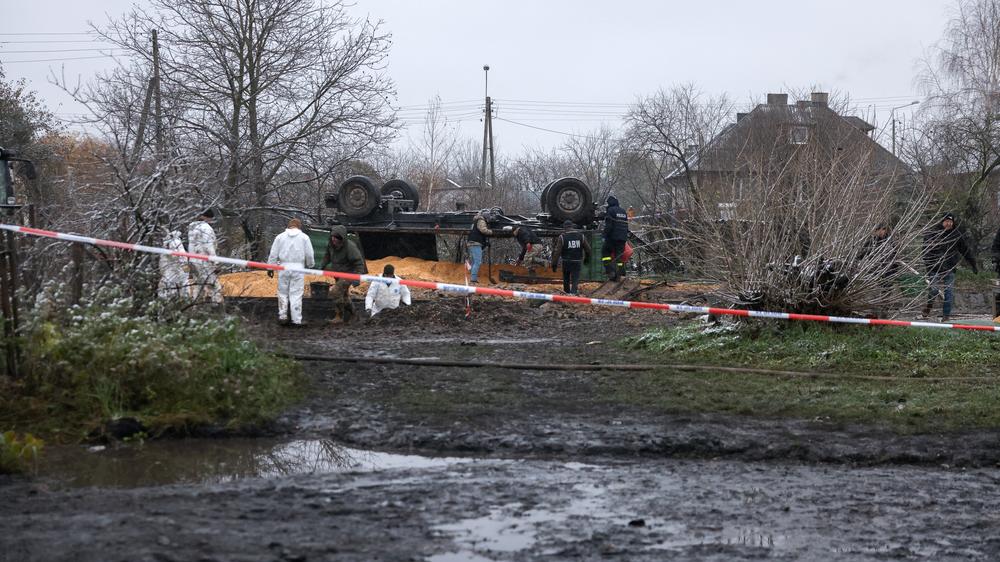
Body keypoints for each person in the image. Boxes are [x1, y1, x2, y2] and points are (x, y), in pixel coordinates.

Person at [922, 213, 977, 322]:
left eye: (951, 222)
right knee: (934, 290)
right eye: (947, 221)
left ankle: (946, 316)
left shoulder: (956, 235)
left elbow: (965, 250)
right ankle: (928, 307)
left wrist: (973, 264)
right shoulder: (933, 233)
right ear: (942, 222)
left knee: (949, 292)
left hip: (949, 267)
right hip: (934, 267)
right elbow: (925, 251)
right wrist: (928, 263)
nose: (949, 224)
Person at [267, 218, 315, 326]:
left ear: (289, 226)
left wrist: (270, 268)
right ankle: (296, 320)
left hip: (283, 267)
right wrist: (310, 265)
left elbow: (273, 254)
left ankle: (282, 316)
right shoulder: (304, 238)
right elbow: (309, 254)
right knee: (296, 294)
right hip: (298, 268)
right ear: (299, 226)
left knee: (283, 293)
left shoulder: (280, 237)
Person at [319, 225, 366, 324]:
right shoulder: (331, 245)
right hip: (338, 274)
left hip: (349, 274)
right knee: (343, 296)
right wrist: (322, 266)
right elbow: (327, 256)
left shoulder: (350, 247)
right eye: (333, 237)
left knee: (335, 292)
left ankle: (339, 316)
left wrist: (356, 278)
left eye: (336, 238)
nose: (334, 239)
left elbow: (359, 263)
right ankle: (354, 314)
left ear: (342, 238)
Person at [187, 209, 224, 303]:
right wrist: (216, 262)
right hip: (204, 262)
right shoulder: (206, 229)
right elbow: (208, 246)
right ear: (208, 218)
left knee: (198, 285)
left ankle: (195, 306)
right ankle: (216, 306)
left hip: (193, 261)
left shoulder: (192, 228)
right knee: (214, 284)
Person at [552, 220, 591, 295]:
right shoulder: (581, 236)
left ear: (564, 227)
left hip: (566, 261)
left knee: (566, 278)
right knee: (575, 278)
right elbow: (588, 250)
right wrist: (587, 258)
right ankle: (573, 293)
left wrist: (554, 264)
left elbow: (557, 252)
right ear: (572, 226)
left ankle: (566, 293)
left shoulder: (562, 237)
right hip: (577, 261)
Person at [601, 195, 629, 281]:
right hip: (622, 238)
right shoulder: (623, 211)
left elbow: (609, 226)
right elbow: (626, 225)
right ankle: (621, 273)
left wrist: (604, 235)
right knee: (619, 256)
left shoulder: (611, 210)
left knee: (605, 253)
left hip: (613, 237)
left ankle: (610, 271)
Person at [157, 229, 189, 299]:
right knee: (174, 285)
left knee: (167, 284)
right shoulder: (168, 243)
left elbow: (181, 256)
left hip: (175, 268)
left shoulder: (174, 242)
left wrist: (186, 270)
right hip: (173, 268)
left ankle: (167, 300)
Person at [466, 209, 495, 285]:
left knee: (475, 262)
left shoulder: (476, 221)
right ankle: (473, 280)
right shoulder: (481, 220)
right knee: (477, 262)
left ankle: (472, 278)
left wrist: (485, 242)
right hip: (475, 243)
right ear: (486, 216)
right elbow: (483, 230)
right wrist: (491, 232)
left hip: (472, 242)